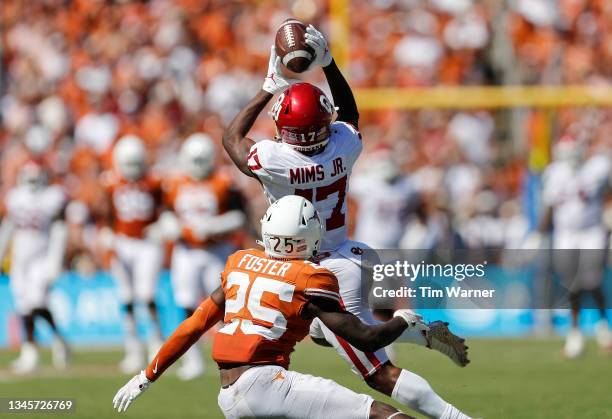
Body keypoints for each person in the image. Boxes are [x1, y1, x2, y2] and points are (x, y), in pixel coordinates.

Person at [222, 24, 470, 418]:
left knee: (378, 373)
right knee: (321, 332)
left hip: (319, 270)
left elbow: (232, 138)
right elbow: (350, 113)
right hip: (348, 251)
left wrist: (271, 83)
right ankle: (419, 333)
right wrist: (330, 63)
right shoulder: (343, 145)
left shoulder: (275, 160)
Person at [113, 195, 430, 418]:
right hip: (267, 385)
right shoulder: (309, 276)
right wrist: (403, 319)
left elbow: (194, 325)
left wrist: (146, 376)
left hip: (227, 395)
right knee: (383, 415)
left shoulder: (240, 262)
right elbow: (366, 338)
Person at [160, 133, 247, 380]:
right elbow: (165, 212)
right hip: (186, 251)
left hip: (216, 250)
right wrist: (170, 226)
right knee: (186, 304)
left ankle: (232, 356)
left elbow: (239, 217)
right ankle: (192, 358)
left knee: (226, 306)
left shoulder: (223, 181)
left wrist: (213, 226)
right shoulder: (175, 183)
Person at [100, 135, 165, 373]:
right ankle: (133, 348)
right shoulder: (110, 182)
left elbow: (165, 208)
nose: (132, 170)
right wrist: (106, 231)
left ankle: (156, 342)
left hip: (147, 243)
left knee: (146, 294)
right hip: (123, 243)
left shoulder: (154, 180)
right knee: (126, 297)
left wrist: (161, 224)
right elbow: (105, 212)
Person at [0, 162, 70, 374]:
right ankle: (53, 342)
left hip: (42, 257)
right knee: (24, 305)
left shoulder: (51, 198)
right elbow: (8, 228)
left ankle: (33, 350)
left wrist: (55, 261)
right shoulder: (15, 198)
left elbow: (60, 230)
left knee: (35, 302)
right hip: (20, 259)